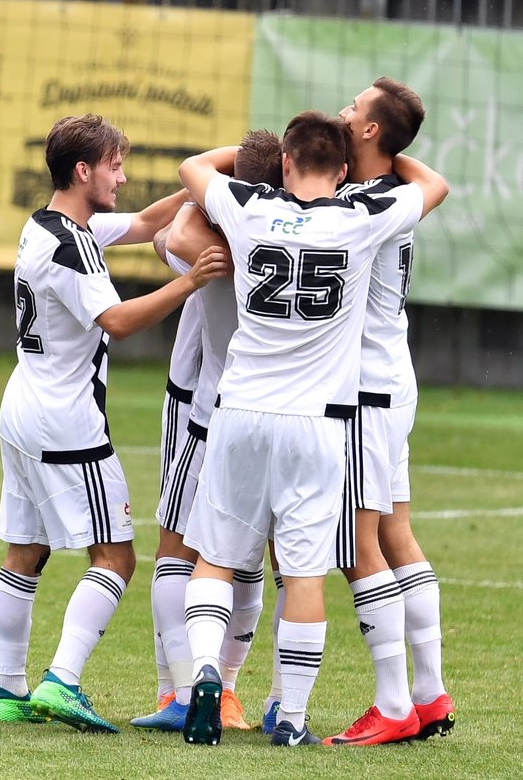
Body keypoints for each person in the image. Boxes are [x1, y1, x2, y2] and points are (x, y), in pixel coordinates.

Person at [176, 111, 448, 746]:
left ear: (288, 164)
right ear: (345, 170)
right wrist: (383, 156)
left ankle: (209, 673)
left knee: (215, 559)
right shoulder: (361, 218)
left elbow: (193, 170)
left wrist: (268, 165)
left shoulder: (248, 208)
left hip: (239, 412)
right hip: (317, 424)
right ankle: (293, 718)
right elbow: (433, 186)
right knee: (304, 574)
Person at [0, 114, 227, 733]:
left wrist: (215, 175)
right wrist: (191, 282)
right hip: (66, 419)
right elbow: (115, 321)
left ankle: (9, 692)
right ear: (83, 170)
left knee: (26, 550)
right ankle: (62, 680)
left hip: (24, 404)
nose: (123, 176)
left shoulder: (53, 225)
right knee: (116, 557)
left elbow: (148, 222)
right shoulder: (71, 247)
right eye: (114, 166)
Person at [131, 129, 283, 734]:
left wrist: (225, 168)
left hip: (208, 411)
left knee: (180, 551)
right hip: (282, 416)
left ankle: (176, 690)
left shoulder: (209, 245)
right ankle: (245, 696)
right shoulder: (322, 241)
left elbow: (167, 229)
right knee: (254, 563)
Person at [321, 78, 456, 745]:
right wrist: (395, 148)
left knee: (357, 544)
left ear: (372, 131)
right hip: (391, 381)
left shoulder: (353, 205)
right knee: (397, 535)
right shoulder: (398, 195)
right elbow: (436, 182)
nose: (343, 112)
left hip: (363, 392)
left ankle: (393, 703)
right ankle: (429, 695)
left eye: (354, 107)